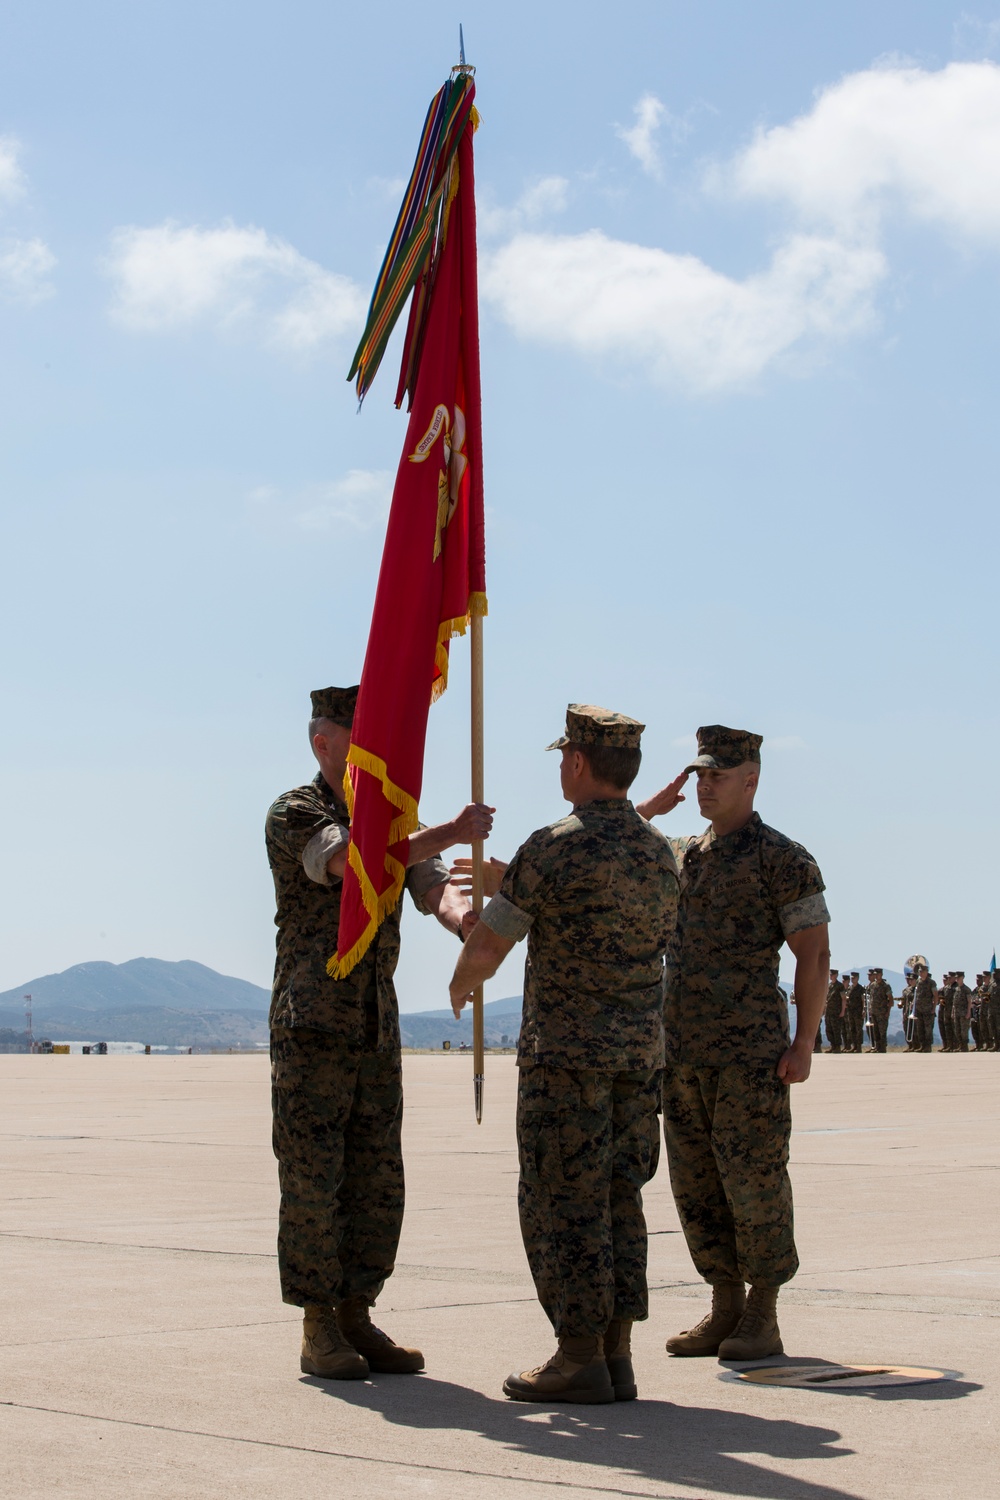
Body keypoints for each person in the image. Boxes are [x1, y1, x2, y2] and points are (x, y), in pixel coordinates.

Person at [448, 705, 680, 1404]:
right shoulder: (662, 853)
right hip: (639, 1060)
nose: (559, 767)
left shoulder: (553, 846)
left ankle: (577, 1355)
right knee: (620, 1200)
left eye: (562, 756)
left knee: (562, 1202)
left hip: (567, 1060)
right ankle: (615, 1353)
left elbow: (490, 944)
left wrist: (461, 982)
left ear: (578, 763)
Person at [266, 684, 493, 1380]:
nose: (372, 752)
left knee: (377, 1179)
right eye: (358, 738)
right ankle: (317, 1326)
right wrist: (451, 833)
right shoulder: (296, 812)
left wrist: (465, 924)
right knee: (314, 1178)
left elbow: (427, 882)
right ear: (323, 742)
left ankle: (357, 1312)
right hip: (314, 1026)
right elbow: (358, 862)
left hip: (372, 1024)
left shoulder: (391, 815)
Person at [636, 726, 830, 1362]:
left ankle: (764, 1312)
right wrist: (653, 808)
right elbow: (619, 846)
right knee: (697, 1186)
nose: (704, 786)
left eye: (717, 775)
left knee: (754, 1183)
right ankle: (725, 1305)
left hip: (750, 1055)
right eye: (699, 775)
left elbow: (813, 952)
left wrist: (803, 1043)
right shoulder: (684, 853)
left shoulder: (784, 859)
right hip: (683, 1053)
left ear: (751, 779)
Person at [865, 968, 894, 1053]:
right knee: (876, 1031)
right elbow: (871, 998)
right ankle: (877, 1047)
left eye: (877, 974)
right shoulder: (872, 985)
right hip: (874, 1011)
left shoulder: (885, 985)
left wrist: (888, 1011)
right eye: (874, 974)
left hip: (882, 1012)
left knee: (882, 1031)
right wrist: (870, 1009)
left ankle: (882, 1048)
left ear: (881, 975)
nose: (876, 976)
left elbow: (890, 999)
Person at [910, 965, 937, 1053]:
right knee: (920, 1028)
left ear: (926, 972)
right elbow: (916, 994)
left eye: (922, 971)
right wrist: (913, 1004)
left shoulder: (931, 982)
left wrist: (933, 1008)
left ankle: (928, 1046)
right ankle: (922, 1046)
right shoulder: (918, 981)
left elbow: (935, 996)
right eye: (919, 972)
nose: (920, 973)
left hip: (928, 1009)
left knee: (928, 1029)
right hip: (919, 1009)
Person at [823, 969, 846, 1053]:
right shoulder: (829, 986)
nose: (830, 976)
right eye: (830, 975)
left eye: (832, 975)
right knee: (828, 1029)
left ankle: (837, 1047)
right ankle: (832, 1046)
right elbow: (826, 999)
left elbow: (843, 999)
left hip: (836, 1011)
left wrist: (843, 1011)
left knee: (836, 1029)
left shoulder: (840, 986)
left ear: (836, 975)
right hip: (829, 1011)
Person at [950, 972, 972, 1052]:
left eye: (959, 977)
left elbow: (969, 1002)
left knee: (964, 1031)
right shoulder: (956, 989)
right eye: (956, 977)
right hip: (957, 1013)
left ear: (963, 977)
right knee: (957, 1030)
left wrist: (968, 1012)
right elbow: (954, 1002)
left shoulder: (966, 989)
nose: (957, 979)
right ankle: (960, 1046)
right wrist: (953, 1012)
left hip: (964, 1013)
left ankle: (964, 1046)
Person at [844, 972, 865, 1053]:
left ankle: (859, 1047)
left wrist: (864, 1009)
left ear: (858, 978)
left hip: (858, 1011)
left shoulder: (861, 988)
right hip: (850, 1011)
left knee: (858, 1029)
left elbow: (863, 1000)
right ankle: (854, 1046)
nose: (853, 979)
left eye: (854, 978)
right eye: (852, 978)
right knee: (852, 1029)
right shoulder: (849, 988)